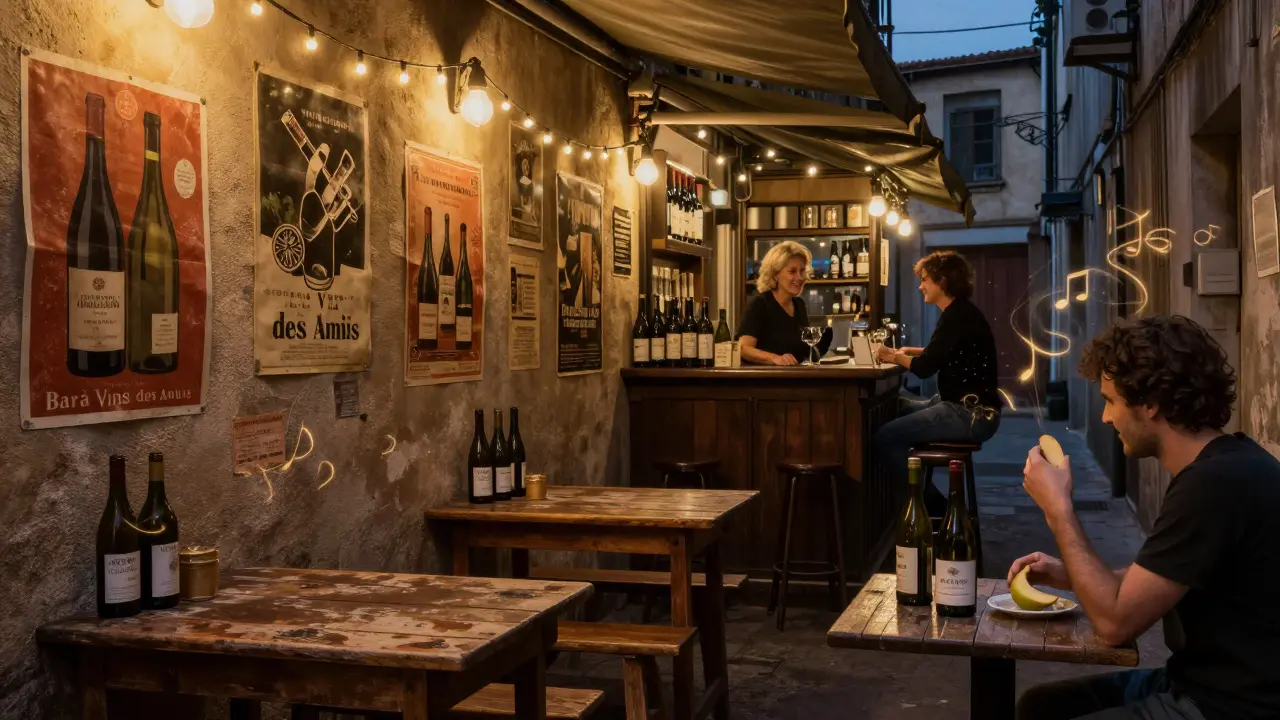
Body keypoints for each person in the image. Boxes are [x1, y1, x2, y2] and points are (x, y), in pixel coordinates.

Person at [1013, 315, 1280, 720]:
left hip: (1227, 706)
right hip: (1193, 683)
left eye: (1110, 401)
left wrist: (1058, 509)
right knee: (1041, 706)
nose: (1105, 417)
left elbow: (1114, 624)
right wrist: (1071, 575)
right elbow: (1164, 574)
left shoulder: (1212, 485)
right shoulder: (1225, 464)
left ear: (1149, 403)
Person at [872, 250, 1000, 514]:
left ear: (942, 282)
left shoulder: (955, 316)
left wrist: (892, 356)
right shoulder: (961, 312)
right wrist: (907, 351)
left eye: (925, 280)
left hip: (969, 414)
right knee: (897, 407)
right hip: (965, 406)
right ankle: (915, 505)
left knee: (885, 438)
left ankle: (934, 510)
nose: (921, 286)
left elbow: (924, 368)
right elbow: (942, 352)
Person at [737, 241, 830, 365]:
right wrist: (775, 358)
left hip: (794, 375)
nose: (799, 277)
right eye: (792, 271)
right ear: (775, 274)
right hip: (766, 376)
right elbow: (743, 349)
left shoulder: (799, 304)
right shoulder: (760, 304)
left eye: (802, 271)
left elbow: (803, 350)